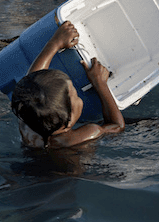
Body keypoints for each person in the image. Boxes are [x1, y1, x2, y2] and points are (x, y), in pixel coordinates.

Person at [11, 21, 125, 149]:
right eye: (76, 95)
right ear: (70, 119)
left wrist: (55, 43)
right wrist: (100, 83)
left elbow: (33, 81)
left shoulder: (27, 119)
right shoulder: (86, 134)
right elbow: (117, 126)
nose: (78, 96)